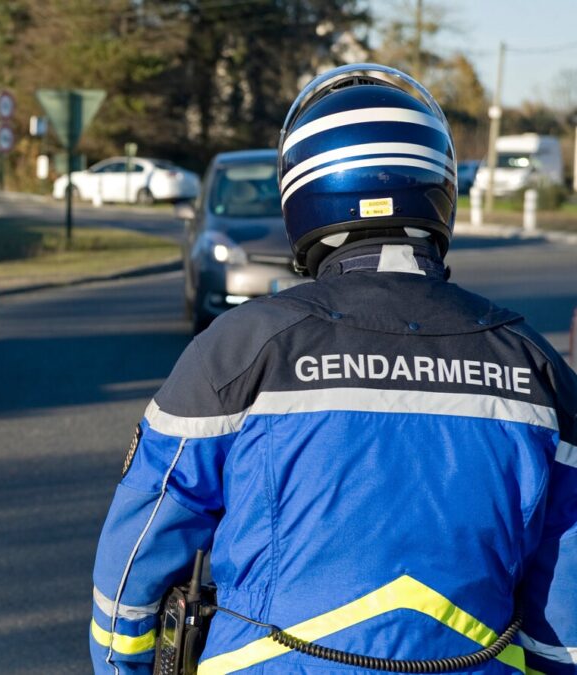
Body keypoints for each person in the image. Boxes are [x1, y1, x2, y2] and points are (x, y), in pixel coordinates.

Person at [90, 64, 576, 675]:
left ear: (303, 192)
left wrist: (122, 666)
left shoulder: (240, 348)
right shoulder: (535, 366)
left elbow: (141, 543)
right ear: (441, 189)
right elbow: (566, 614)